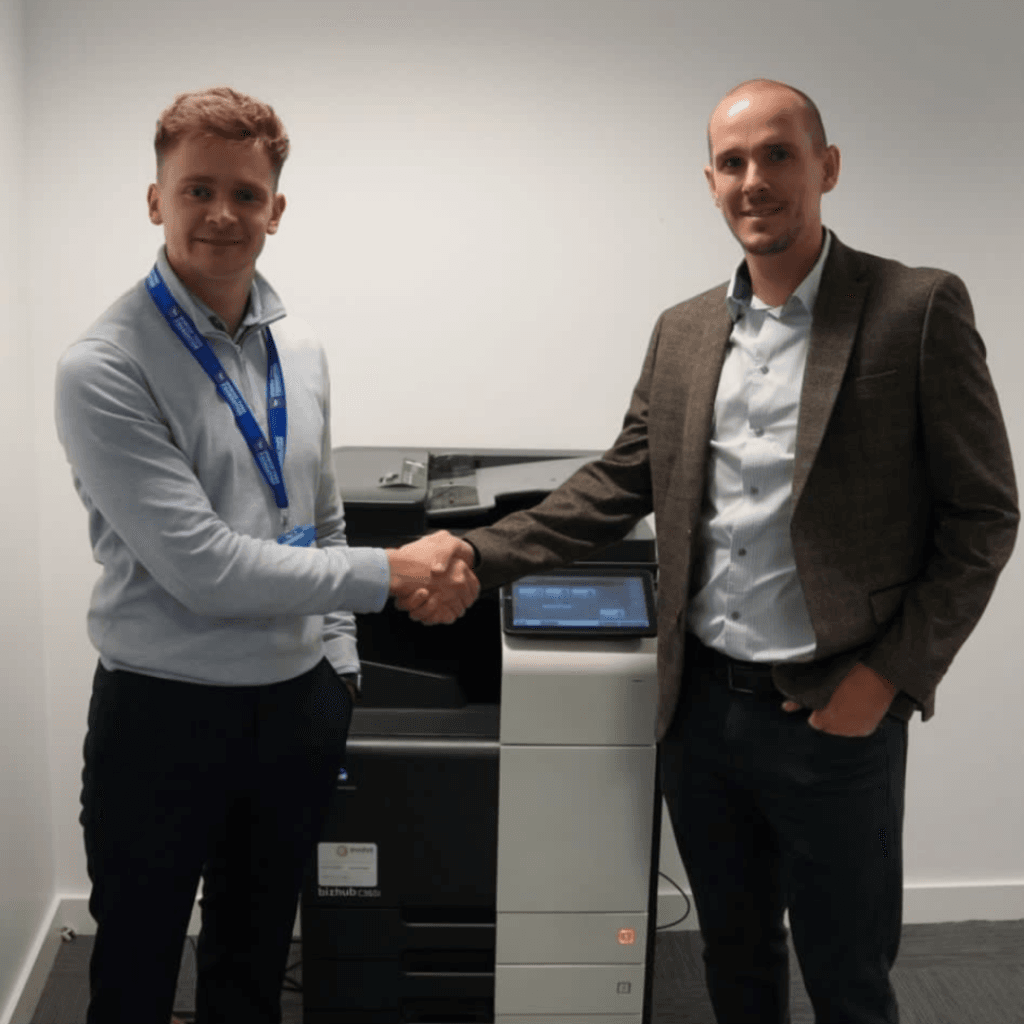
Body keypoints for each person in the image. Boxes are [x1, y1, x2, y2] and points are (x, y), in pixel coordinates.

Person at [400, 79, 1019, 1024]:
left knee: (850, 976)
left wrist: (888, 680)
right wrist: (478, 555)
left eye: (778, 154)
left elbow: (984, 515)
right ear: (710, 181)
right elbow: (619, 483)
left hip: (834, 711)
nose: (754, 179)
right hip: (702, 718)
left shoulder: (915, 308)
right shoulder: (685, 331)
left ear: (828, 166)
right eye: (732, 162)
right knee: (734, 964)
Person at [55, 86, 477, 1024]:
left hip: (294, 709)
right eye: (196, 189)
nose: (221, 214)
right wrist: (390, 575)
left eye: (245, 195)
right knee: (135, 961)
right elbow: (205, 567)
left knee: (254, 959)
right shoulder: (105, 365)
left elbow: (319, 515)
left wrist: (339, 668)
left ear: (275, 211)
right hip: (161, 717)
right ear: (154, 198)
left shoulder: (303, 348)